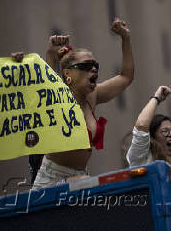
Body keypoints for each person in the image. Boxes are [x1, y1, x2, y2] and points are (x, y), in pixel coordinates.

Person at [31, 18, 134, 189]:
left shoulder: (93, 96)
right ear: (68, 73)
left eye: (95, 65)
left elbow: (125, 77)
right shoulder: (56, 98)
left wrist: (125, 38)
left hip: (80, 178)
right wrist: (50, 54)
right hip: (50, 181)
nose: (93, 69)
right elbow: (45, 82)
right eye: (86, 66)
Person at [126, 85, 171, 169]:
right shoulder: (141, 158)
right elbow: (141, 125)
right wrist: (156, 98)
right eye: (165, 131)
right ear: (152, 138)